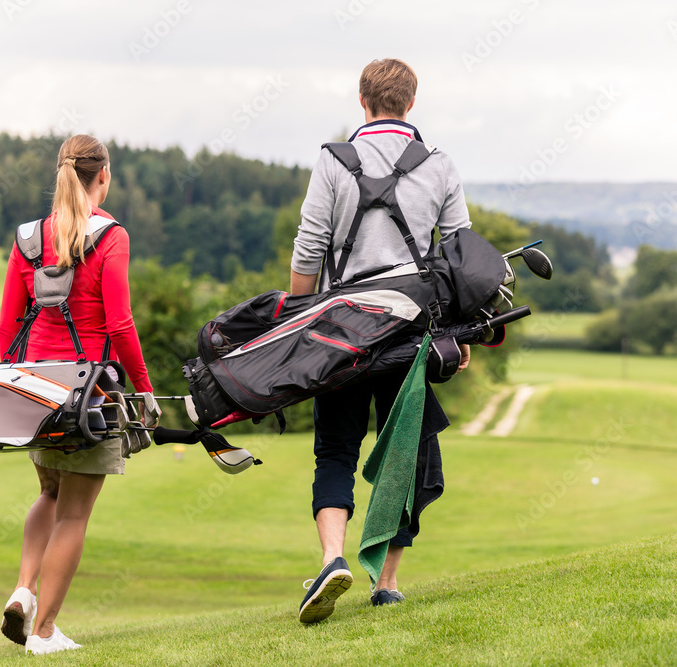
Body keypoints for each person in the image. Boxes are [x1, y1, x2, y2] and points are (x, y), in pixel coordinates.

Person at [290, 59, 472, 623]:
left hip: (338, 330)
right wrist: (460, 336)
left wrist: (294, 325)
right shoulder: (438, 166)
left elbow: (308, 249)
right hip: (411, 333)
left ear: (362, 101)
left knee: (336, 449)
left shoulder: (331, 161)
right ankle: (387, 581)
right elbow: (463, 260)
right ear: (410, 104)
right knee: (406, 453)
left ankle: (332, 558)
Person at [0, 134, 156, 654]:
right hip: (90, 396)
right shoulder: (111, 237)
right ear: (103, 177)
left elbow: (8, 326)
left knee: (48, 493)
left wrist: (17, 386)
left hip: (37, 392)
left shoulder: (28, 238)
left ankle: (23, 591)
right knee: (74, 513)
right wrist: (145, 388)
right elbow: (121, 324)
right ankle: (42, 632)